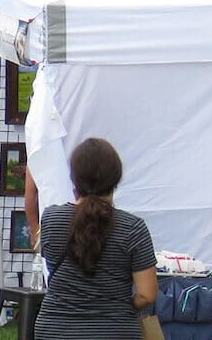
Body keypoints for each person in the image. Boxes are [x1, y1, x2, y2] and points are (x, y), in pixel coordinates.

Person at [34, 138, 157, 340]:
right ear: (116, 178)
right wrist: (117, 304)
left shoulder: (51, 219)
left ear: (74, 178)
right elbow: (147, 294)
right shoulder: (133, 228)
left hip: (55, 329)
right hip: (114, 330)